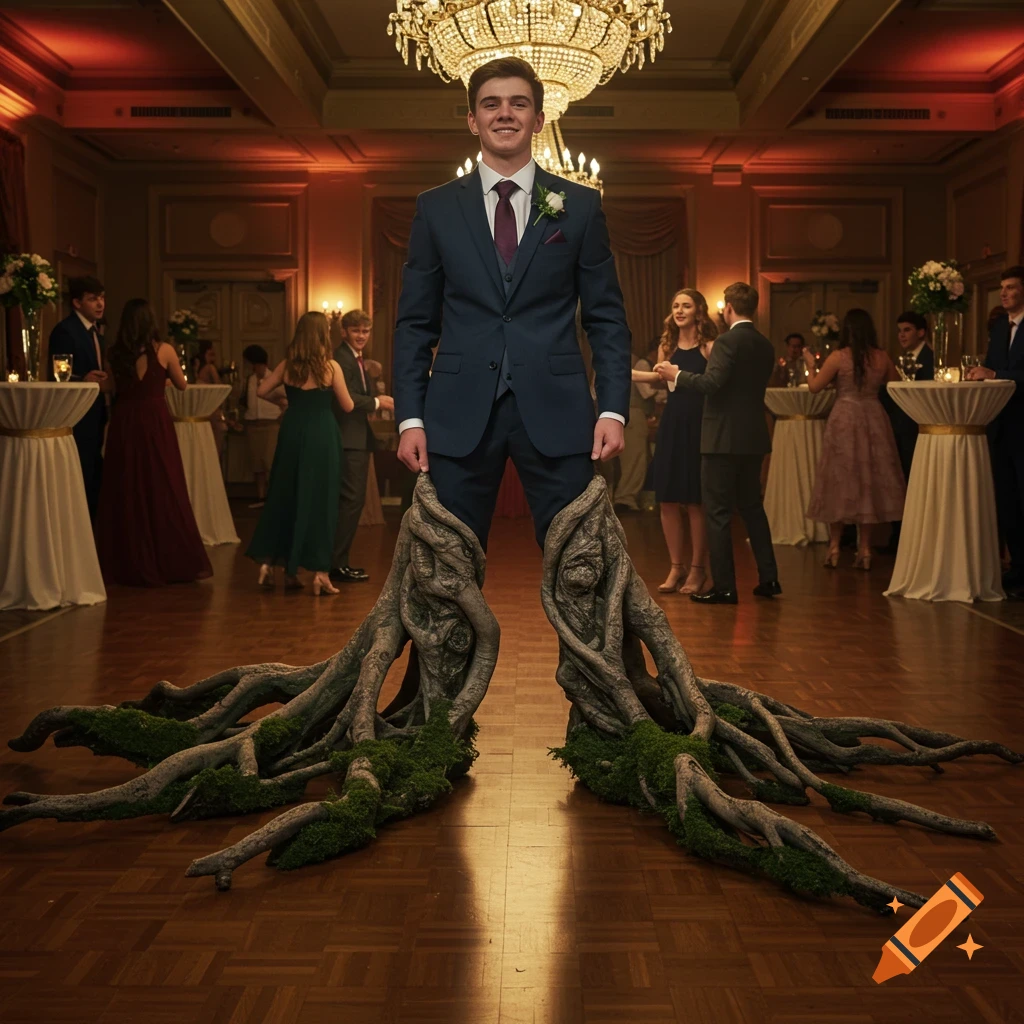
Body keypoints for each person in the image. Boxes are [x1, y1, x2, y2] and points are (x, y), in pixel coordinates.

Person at [393, 56, 629, 552]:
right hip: (455, 416)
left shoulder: (579, 206)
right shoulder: (434, 208)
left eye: (518, 103)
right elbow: (415, 324)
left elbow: (606, 318)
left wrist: (612, 409)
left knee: (579, 562)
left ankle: (584, 635)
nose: (505, 113)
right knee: (446, 565)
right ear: (472, 120)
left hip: (559, 412)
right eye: (491, 104)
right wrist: (411, 418)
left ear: (538, 120)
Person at [655, 282, 779, 604]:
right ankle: (769, 579)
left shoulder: (725, 341)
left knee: (718, 513)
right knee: (753, 509)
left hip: (721, 438)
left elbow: (711, 384)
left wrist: (676, 375)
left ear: (728, 308)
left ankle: (724, 587)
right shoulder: (765, 345)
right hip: (753, 437)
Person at [94, 299, 212, 587]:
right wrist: (161, 382)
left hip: (125, 421)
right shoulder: (165, 350)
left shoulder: (116, 353)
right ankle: (168, 558)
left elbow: (111, 387)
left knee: (127, 486)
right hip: (154, 420)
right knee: (162, 483)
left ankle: (127, 561)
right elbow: (182, 384)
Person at [246, 311, 354, 596]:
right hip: (321, 435)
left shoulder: (287, 366)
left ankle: (269, 566)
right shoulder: (331, 367)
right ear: (323, 335)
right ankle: (320, 573)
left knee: (284, 495)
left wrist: (285, 398)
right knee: (321, 501)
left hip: (292, 431)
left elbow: (261, 391)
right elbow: (348, 406)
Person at [803, 308, 905, 570]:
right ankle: (866, 548)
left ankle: (835, 546)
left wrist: (810, 367)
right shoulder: (882, 357)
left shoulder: (838, 357)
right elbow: (897, 387)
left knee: (839, 478)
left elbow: (814, 388)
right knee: (869, 479)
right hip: (873, 416)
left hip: (845, 418)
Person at [637, 290, 715, 595]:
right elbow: (658, 379)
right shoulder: (666, 346)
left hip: (698, 425)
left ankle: (698, 570)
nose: (680, 310)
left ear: (698, 311)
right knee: (667, 498)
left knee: (694, 499)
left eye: (686, 305)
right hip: (671, 422)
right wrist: (621, 374)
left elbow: (713, 386)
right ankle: (675, 567)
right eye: (676, 306)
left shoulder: (709, 347)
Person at [966, 265, 1024, 597]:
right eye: (1002, 287)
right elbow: (991, 365)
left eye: (1011, 287)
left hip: (1023, 423)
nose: (1003, 293)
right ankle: (1017, 567)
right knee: (1008, 500)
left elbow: (1005, 371)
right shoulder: (1001, 327)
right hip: (1001, 424)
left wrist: (994, 373)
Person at [330, 309, 395, 584]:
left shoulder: (355, 359)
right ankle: (337, 564)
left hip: (355, 437)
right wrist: (380, 402)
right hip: (347, 438)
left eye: (365, 331)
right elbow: (350, 398)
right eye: (356, 330)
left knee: (351, 502)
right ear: (344, 332)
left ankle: (337, 562)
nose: (361, 336)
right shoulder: (342, 359)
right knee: (350, 502)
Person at [47, 275, 110, 519]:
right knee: (81, 471)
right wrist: (82, 380)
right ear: (76, 303)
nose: (100, 304)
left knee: (95, 472)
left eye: (102, 298)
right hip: (77, 415)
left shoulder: (97, 334)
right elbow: (57, 375)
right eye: (93, 299)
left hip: (96, 411)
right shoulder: (65, 331)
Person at [878, 311, 933, 552]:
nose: (901, 335)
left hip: (916, 428)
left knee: (912, 479)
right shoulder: (901, 359)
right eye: (900, 330)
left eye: (907, 330)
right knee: (897, 480)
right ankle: (898, 537)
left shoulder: (930, 359)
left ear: (921, 332)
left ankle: (911, 539)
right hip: (898, 426)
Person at [612, 343, 658, 514]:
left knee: (632, 459)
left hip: (623, 413)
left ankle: (625, 499)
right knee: (635, 459)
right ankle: (625, 500)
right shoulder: (639, 363)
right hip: (633, 413)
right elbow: (648, 393)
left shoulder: (617, 360)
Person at [240, 344, 285, 509]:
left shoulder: (274, 377)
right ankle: (261, 496)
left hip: (271, 424)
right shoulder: (249, 380)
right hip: (253, 424)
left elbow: (283, 400)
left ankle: (274, 497)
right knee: (256, 463)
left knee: (270, 462)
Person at [196, 339, 228, 456]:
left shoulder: (198, 368)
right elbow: (219, 388)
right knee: (216, 448)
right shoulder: (210, 368)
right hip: (212, 410)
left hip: (203, 410)